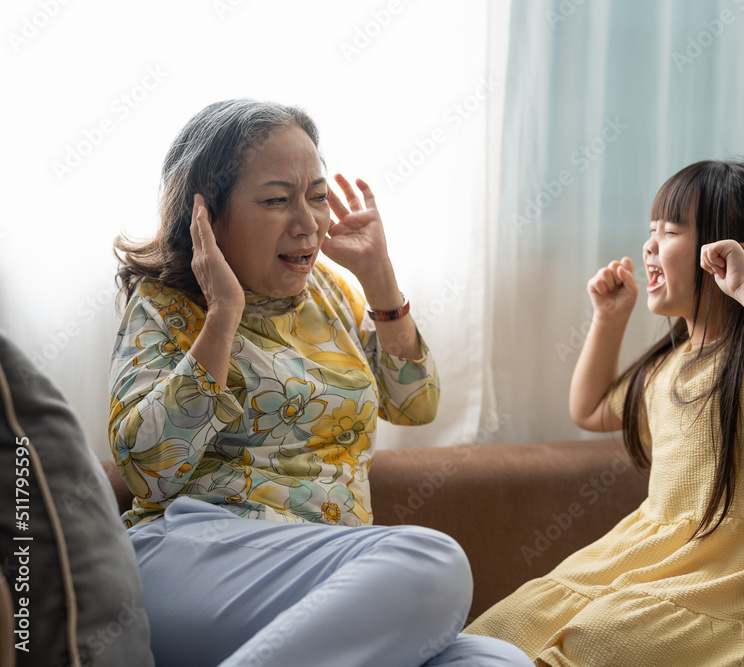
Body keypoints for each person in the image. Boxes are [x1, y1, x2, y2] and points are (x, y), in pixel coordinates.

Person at [109, 99, 532, 667]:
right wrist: (223, 316)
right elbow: (147, 471)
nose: (308, 222)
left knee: (498, 662)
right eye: (277, 200)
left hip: (323, 572)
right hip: (193, 555)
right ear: (204, 214)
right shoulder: (164, 304)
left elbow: (416, 404)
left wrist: (379, 277)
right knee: (432, 562)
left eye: (317, 196)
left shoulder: (330, 292)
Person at [464, 160, 744, 666]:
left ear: (728, 256)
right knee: (508, 623)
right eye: (651, 231)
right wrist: (608, 320)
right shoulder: (669, 367)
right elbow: (592, 408)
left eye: (669, 231)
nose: (649, 246)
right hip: (656, 556)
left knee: (598, 638)